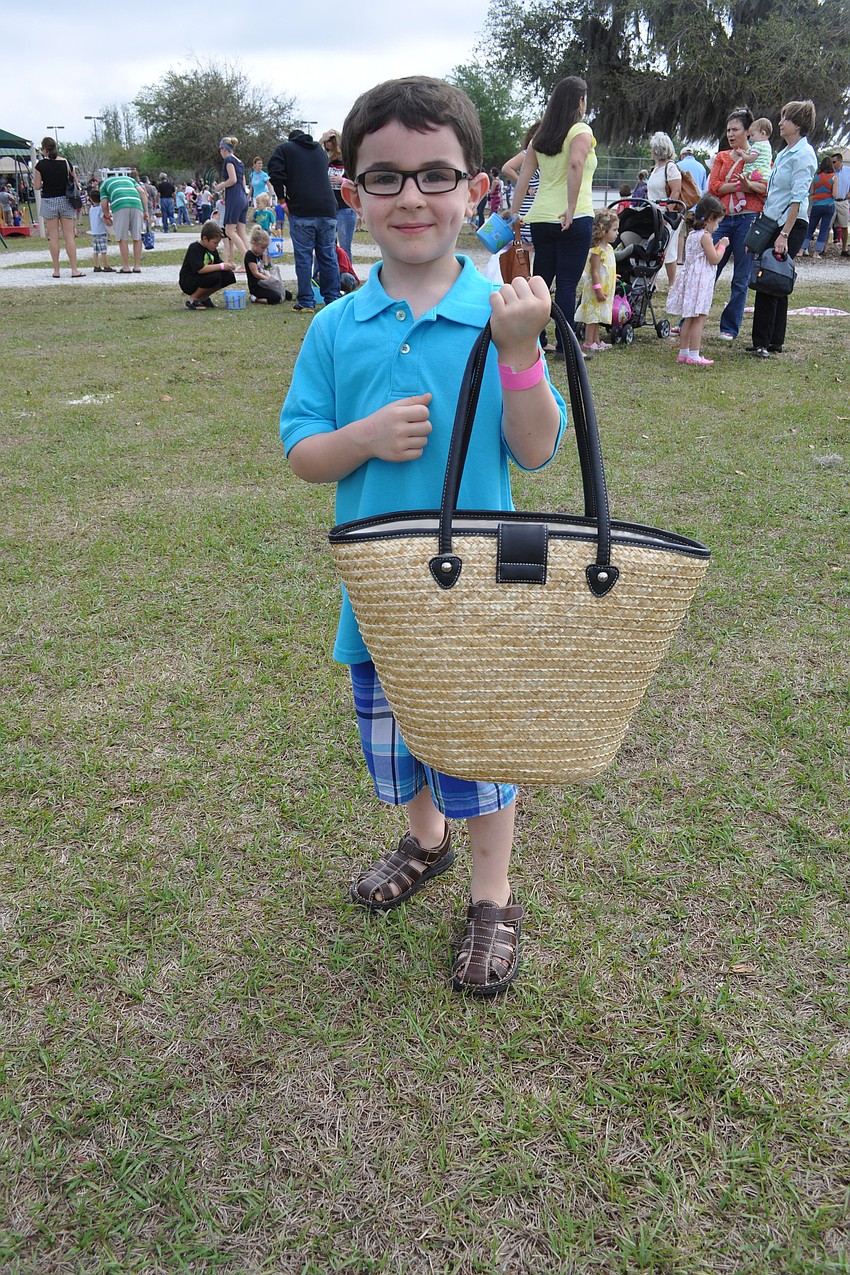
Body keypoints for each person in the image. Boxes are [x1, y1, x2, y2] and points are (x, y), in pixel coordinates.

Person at [279, 75, 568, 998]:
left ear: (476, 188)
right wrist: (359, 440)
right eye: (384, 178)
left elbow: (538, 452)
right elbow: (303, 452)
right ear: (350, 191)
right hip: (379, 600)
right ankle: (426, 842)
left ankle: (494, 894)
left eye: (436, 174)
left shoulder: (500, 310)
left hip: (475, 599)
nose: (411, 196)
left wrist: (521, 355)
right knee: (397, 745)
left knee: (478, 758)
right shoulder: (334, 325)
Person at [508, 75, 598, 350]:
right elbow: (575, 165)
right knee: (567, 284)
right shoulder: (581, 130)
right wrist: (570, 207)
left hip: (539, 218)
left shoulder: (540, 137)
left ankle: (534, 339)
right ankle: (565, 345)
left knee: (540, 282)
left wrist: (514, 213)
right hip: (574, 215)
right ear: (580, 101)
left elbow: (523, 175)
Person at [750, 100, 818, 359]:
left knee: (770, 278)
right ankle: (772, 340)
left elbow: (797, 198)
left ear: (798, 124)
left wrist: (784, 234)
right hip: (773, 220)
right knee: (774, 279)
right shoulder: (786, 151)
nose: (780, 123)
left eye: (785, 118)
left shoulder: (803, 155)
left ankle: (763, 342)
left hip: (789, 224)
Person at [268, 128, 341, 313]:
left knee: (304, 257)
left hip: (302, 210)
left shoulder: (284, 149)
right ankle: (332, 299)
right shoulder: (319, 150)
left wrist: (282, 200)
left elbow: (275, 174)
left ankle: (306, 302)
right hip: (328, 209)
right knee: (328, 255)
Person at [666, 195, 729, 366]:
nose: (717, 227)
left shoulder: (693, 234)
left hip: (691, 280)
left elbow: (702, 255)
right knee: (699, 318)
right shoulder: (705, 236)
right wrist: (722, 245)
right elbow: (715, 259)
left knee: (689, 317)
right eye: (717, 223)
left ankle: (683, 352)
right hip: (700, 282)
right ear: (709, 219)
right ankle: (694, 354)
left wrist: (715, 248)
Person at [33, 136, 85, 278]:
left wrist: (45, 184)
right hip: (66, 200)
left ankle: (56, 270)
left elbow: (37, 186)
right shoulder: (65, 162)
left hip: (49, 200)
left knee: (53, 237)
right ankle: (74, 269)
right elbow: (75, 181)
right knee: (69, 236)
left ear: (44, 149)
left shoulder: (40, 165)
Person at [575, 208, 619, 353]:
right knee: (592, 317)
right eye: (614, 230)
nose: (617, 233)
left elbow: (606, 268)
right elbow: (594, 271)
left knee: (598, 316)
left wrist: (613, 277)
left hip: (605, 288)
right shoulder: (596, 250)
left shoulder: (609, 249)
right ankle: (588, 342)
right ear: (603, 231)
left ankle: (597, 340)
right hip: (596, 289)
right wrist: (598, 289)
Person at [646, 132, 682, 285]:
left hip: (667, 214)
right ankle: (650, 280)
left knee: (668, 249)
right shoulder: (656, 168)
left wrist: (667, 215)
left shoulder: (670, 167)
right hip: (654, 212)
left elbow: (675, 191)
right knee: (656, 247)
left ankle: (672, 283)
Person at [178, 219, 238, 309]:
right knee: (214, 276)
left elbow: (219, 263)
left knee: (228, 275)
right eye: (215, 243)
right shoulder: (194, 248)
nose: (217, 245)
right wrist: (221, 266)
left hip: (203, 278)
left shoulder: (212, 250)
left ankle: (203, 297)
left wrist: (228, 266)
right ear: (205, 239)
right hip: (189, 280)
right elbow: (200, 269)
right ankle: (193, 298)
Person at [99, 170, 148, 273]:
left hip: (120, 206)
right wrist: (146, 211)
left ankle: (126, 266)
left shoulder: (104, 185)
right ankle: (137, 266)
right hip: (136, 205)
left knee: (122, 238)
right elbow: (143, 192)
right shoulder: (130, 179)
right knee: (137, 237)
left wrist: (107, 215)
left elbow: (104, 204)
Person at [320, 128, 357, 261]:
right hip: (329, 208)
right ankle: (332, 277)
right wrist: (322, 139)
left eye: (330, 141)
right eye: (326, 141)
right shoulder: (324, 158)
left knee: (345, 247)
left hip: (345, 207)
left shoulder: (347, 159)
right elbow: (312, 158)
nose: (327, 144)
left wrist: (343, 180)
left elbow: (357, 181)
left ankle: (348, 277)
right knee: (328, 246)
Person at [502, 123, 541, 245]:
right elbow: (507, 168)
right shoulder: (527, 153)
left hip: (537, 207)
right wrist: (525, 186)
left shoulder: (543, 155)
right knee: (526, 247)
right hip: (527, 207)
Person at [214, 137, 250, 267]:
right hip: (242, 197)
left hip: (234, 197)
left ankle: (247, 261)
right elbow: (242, 180)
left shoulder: (228, 160)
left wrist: (221, 186)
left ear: (224, 149)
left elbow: (233, 179)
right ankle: (250, 262)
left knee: (229, 231)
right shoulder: (239, 161)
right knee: (241, 232)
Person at [728, 119, 773, 212]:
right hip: (764, 174)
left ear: (763, 133)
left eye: (752, 135)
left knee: (738, 184)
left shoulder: (757, 145)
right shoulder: (767, 146)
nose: (751, 138)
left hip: (753, 173)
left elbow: (750, 158)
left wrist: (742, 154)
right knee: (760, 192)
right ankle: (767, 205)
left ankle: (742, 201)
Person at [801, 156, 838, 258]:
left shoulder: (816, 177)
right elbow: (835, 195)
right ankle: (817, 252)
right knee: (824, 229)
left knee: (810, 228)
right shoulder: (834, 178)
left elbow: (812, 192)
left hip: (817, 205)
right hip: (829, 205)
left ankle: (802, 249)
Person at [243, 226, 283, 304]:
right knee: (276, 298)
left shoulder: (260, 254)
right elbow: (256, 273)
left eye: (265, 248)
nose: (264, 250)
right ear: (254, 243)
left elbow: (265, 267)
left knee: (286, 294)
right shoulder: (250, 255)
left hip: (264, 283)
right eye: (262, 248)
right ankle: (255, 299)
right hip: (257, 286)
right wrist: (268, 279)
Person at [88, 187, 114, 272]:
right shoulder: (100, 209)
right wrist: (109, 223)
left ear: (91, 199)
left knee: (95, 251)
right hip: (101, 231)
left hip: (94, 232)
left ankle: (96, 266)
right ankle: (106, 266)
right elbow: (103, 218)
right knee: (103, 250)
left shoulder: (91, 209)